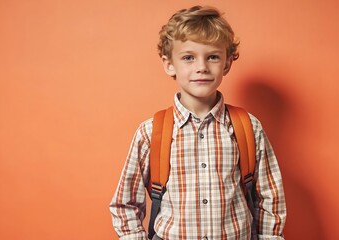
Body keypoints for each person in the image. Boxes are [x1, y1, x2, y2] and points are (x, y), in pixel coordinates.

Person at [110, 5, 286, 240]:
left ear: (226, 63)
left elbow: (270, 197)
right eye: (188, 58)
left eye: (212, 56)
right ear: (169, 64)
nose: (201, 67)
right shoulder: (151, 132)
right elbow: (125, 204)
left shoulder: (248, 127)